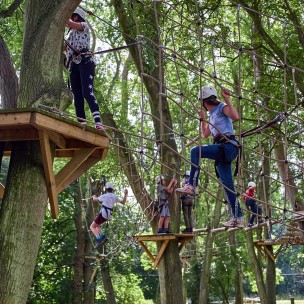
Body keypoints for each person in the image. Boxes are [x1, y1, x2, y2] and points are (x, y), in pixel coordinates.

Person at [176, 86, 244, 227]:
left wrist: (227, 99)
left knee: (195, 151)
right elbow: (205, 134)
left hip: (228, 146)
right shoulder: (212, 114)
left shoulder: (221, 107)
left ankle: (192, 185)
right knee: (228, 186)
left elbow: (236, 117)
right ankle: (238, 218)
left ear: (203, 101)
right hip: (222, 151)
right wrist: (203, 120)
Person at [65, 8, 104, 131]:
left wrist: (63, 15)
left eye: (72, 16)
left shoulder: (83, 26)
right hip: (73, 65)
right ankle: (81, 123)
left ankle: (98, 122)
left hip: (85, 61)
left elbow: (69, 23)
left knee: (87, 92)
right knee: (77, 96)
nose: (70, 19)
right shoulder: (69, 34)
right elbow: (64, 49)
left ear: (76, 17)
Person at [90, 182, 128, 248]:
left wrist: (93, 197)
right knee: (97, 226)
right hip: (108, 216)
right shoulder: (114, 196)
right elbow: (123, 202)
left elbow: (95, 200)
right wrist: (125, 194)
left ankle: (99, 239)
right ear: (112, 189)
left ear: (106, 188)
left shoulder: (104, 196)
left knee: (92, 227)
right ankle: (103, 237)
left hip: (103, 214)